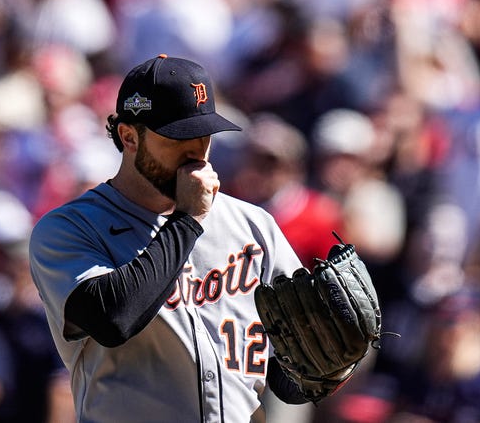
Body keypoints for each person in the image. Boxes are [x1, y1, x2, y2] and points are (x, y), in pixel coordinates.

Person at [28, 54, 321, 422]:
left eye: (204, 134)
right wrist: (188, 220)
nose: (196, 151)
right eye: (179, 136)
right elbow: (112, 320)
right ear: (129, 136)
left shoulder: (252, 224)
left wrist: (331, 366)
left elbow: (289, 379)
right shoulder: (69, 229)